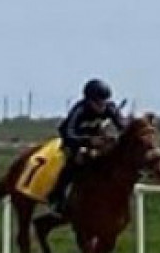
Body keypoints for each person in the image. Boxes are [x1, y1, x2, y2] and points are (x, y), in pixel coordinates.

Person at [49, 78, 126, 215]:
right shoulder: (79, 110)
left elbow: (123, 126)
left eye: (104, 101)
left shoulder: (110, 108)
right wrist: (88, 141)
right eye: (98, 102)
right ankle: (57, 197)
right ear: (89, 100)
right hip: (74, 142)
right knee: (74, 163)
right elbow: (69, 134)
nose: (102, 105)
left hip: (97, 141)